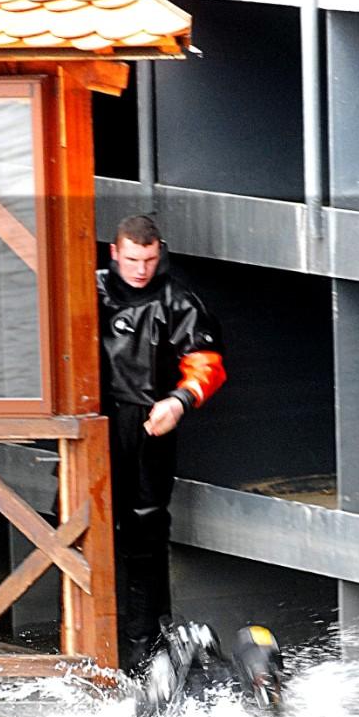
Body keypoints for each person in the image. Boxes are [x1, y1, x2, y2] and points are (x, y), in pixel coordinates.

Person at [97, 215, 227, 672]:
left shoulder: (176, 300)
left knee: (145, 536)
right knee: (82, 531)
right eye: (132, 259)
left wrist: (179, 400)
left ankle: (144, 655)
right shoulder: (90, 291)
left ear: (160, 253)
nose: (140, 269)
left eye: (150, 259)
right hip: (94, 421)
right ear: (115, 252)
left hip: (151, 424)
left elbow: (206, 362)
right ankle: (91, 650)